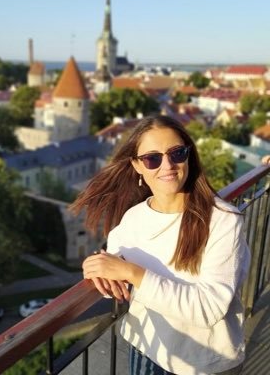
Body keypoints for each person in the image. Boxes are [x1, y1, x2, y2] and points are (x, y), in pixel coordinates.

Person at [70, 115, 251, 375]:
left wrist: (133, 273)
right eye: (152, 158)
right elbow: (115, 287)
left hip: (205, 363)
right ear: (137, 166)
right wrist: (98, 268)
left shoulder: (222, 220)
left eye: (177, 153)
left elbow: (208, 309)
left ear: (188, 156)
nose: (167, 165)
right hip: (147, 351)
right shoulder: (132, 219)